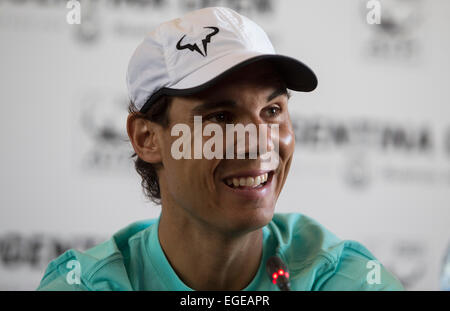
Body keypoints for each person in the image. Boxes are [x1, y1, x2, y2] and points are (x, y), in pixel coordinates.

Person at [37, 7, 404, 291]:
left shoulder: (343, 278)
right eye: (221, 117)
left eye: (272, 110)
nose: (259, 141)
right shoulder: (89, 283)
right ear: (147, 138)